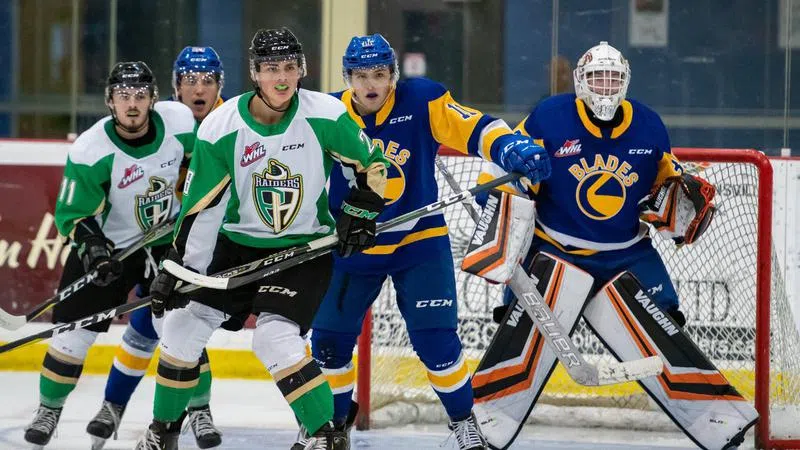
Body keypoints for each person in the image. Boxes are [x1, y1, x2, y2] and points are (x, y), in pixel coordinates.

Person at [475, 41, 756, 450]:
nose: (605, 88)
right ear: (580, 81)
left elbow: (666, 180)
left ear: (625, 82)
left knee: (667, 325)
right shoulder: (550, 116)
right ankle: (486, 422)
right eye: (597, 79)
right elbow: (509, 160)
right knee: (518, 326)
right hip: (554, 248)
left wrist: (679, 201)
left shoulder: (648, 124)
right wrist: (499, 190)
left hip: (627, 251)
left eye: (612, 79)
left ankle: (711, 417)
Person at [134, 28, 389, 450]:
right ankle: (162, 433)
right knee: (180, 328)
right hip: (237, 248)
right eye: (271, 69)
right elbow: (201, 209)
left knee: (274, 337)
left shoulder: (326, 114)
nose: (282, 78)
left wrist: (361, 211)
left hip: (302, 251)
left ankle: (325, 436)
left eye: (289, 67)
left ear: (302, 70)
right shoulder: (221, 127)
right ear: (254, 73)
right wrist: (178, 269)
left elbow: (373, 165)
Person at [308, 34, 550, 450]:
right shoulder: (328, 113)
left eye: (379, 74)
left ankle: (463, 422)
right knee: (329, 344)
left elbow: (474, 126)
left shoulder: (421, 100)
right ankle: (334, 427)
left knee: (437, 341)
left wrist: (509, 144)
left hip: (418, 242)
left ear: (393, 75)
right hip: (352, 247)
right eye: (361, 75)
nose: (371, 84)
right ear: (347, 78)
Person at [23, 61, 196, 449]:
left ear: (153, 99)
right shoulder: (91, 149)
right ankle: (49, 409)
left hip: (164, 242)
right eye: (123, 96)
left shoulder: (180, 122)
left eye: (139, 95)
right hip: (113, 244)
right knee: (72, 336)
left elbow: (200, 164)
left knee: (183, 331)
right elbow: (74, 214)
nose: (132, 104)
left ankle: (192, 413)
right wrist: (94, 250)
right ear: (109, 101)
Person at [86, 47, 226, 450]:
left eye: (207, 81)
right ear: (175, 86)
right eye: (189, 81)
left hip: (219, 243)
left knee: (166, 326)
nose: (198, 89)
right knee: (164, 324)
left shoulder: (232, 121)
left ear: (220, 85)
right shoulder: (161, 120)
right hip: (169, 246)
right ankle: (181, 412)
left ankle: (121, 406)